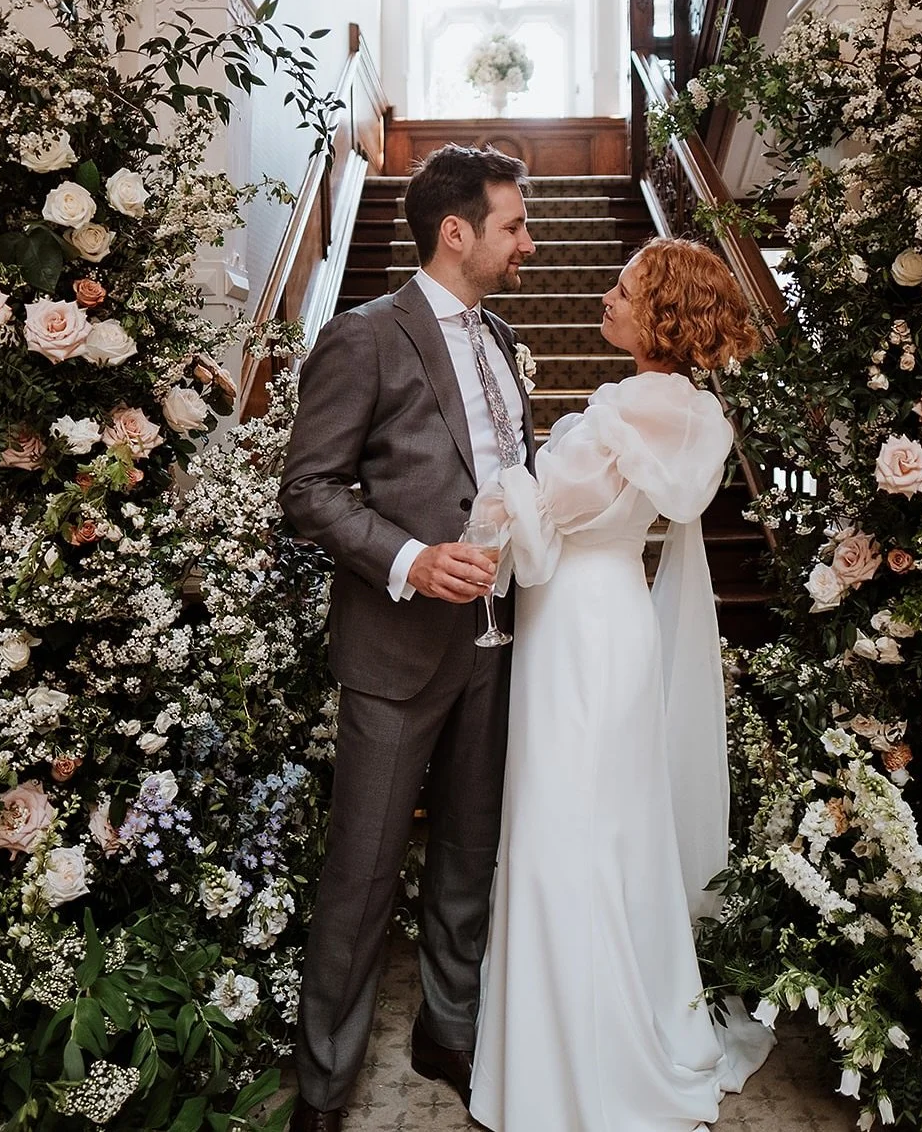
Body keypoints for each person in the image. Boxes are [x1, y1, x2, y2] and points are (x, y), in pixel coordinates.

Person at [468, 237, 775, 1132]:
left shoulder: (626, 409)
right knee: (605, 826)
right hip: (612, 621)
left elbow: (536, 519)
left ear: (662, 315)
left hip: (578, 632)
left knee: (564, 829)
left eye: (622, 289)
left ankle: (571, 1070)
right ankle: (596, 1030)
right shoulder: (681, 409)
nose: (605, 298)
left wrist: (492, 493)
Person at [278, 144, 537, 1132]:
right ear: (455, 230)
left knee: (470, 851)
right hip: (394, 650)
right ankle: (324, 1082)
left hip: (497, 638)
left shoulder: (504, 337)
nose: (526, 241)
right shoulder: (364, 336)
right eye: (512, 224)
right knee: (362, 871)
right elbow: (308, 492)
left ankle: (449, 1029)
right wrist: (410, 561)